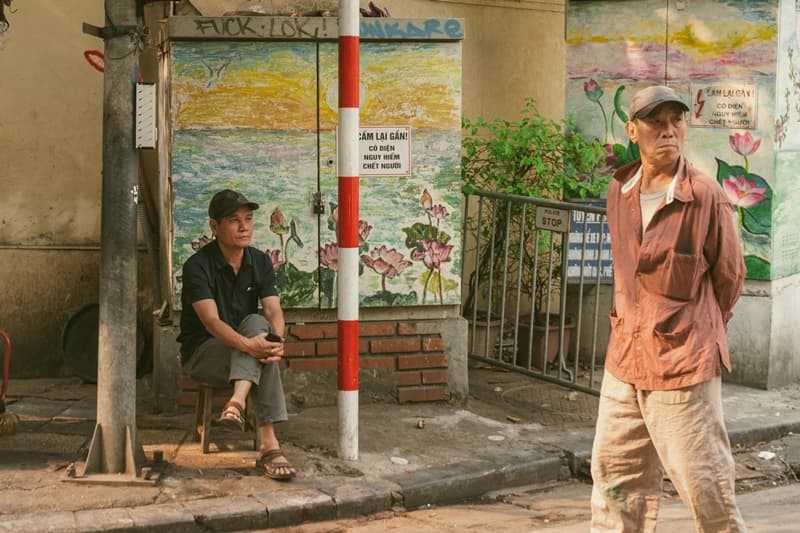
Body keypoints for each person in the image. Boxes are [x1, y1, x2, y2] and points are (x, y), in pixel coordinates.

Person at [590, 85, 747, 531]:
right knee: (614, 479)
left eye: (675, 121)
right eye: (655, 123)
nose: (667, 131)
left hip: (683, 361)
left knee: (704, 483)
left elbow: (730, 278)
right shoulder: (619, 191)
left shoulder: (704, 195)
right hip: (624, 357)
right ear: (632, 130)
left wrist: (698, 327)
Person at [177, 189, 296, 481]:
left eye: (248, 219)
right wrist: (253, 347)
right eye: (234, 220)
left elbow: (273, 312)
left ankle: (235, 404)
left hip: (243, 351)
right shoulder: (197, 266)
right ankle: (270, 447)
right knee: (257, 350)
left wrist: (276, 343)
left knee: (258, 324)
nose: (244, 227)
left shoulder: (260, 261)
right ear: (214, 227)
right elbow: (211, 322)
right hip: (204, 353)